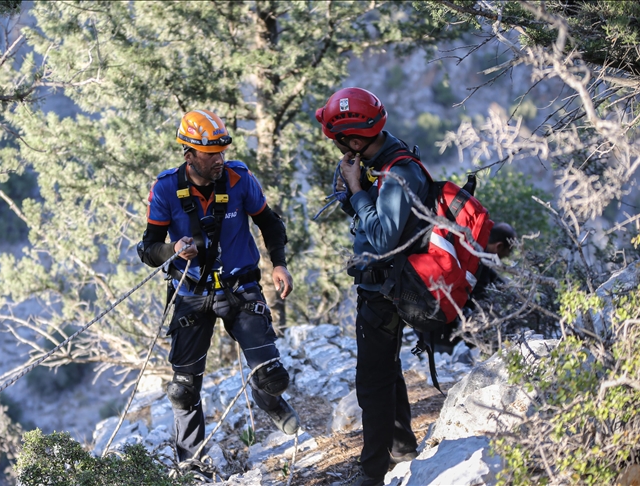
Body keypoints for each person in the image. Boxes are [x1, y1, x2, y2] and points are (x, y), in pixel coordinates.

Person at [136, 109, 300, 467]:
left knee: (273, 377)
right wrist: (174, 250)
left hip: (240, 287)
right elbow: (148, 249)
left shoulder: (239, 180)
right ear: (189, 154)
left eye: (222, 152)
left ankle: (269, 400)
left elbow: (270, 224)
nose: (220, 160)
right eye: (211, 154)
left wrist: (280, 264)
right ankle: (192, 464)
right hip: (191, 292)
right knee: (183, 388)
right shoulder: (166, 188)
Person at [315, 88, 431, 486]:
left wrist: (358, 190)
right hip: (386, 286)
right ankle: (401, 449)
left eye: (339, 139)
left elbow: (383, 239)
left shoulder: (397, 172)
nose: (339, 147)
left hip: (390, 289)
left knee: (372, 383)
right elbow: (372, 219)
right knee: (387, 370)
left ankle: (372, 473)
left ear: (354, 138)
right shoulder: (381, 161)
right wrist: (356, 192)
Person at [430, 222, 518, 355]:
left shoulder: (471, 251)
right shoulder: (479, 261)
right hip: (444, 334)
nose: (506, 257)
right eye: (507, 252)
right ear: (498, 246)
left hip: (432, 321)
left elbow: (495, 280)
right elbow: (480, 299)